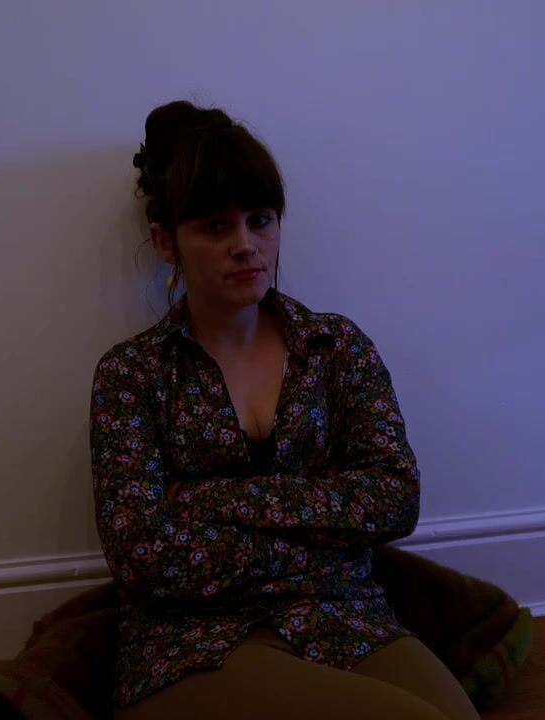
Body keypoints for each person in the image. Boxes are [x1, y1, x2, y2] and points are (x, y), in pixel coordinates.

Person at [89, 100, 479, 720]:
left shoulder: (335, 346)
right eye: (215, 227)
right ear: (167, 242)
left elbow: (393, 497)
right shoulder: (132, 374)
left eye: (261, 220)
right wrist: (321, 535)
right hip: (190, 641)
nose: (246, 245)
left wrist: (207, 501)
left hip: (340, 615)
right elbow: (142, 557)